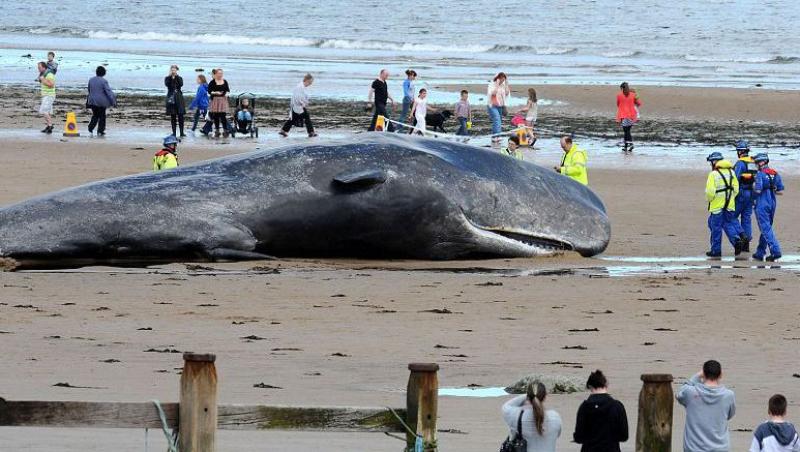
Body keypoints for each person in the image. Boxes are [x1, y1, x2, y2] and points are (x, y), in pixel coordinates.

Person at [676, 360, 736, 452]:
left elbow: (679, 394)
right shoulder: (728, 395)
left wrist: (696, 376)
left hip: (693, 448)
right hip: (720, 448)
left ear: (703, 374)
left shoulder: (690, 392)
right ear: (720, 375)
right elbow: (730, 415)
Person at [573, 370, 628, 452]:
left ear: (589, 387)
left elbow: (579, 437)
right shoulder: (617, 406)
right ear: (606, 385)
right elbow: (624, 436)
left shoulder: (584, 407)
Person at [502, 382, 562, 452]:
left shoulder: (517, 416)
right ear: (545, 397)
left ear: (528, 397)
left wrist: (527, 396)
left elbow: (506, 406)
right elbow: (557, 434)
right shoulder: (555, 417)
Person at [704, 152, 743, 259]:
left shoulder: (713, 174)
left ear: (714, 162)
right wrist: (730, 198)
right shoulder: (732, 172)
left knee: (715, 227)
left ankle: (716, 251)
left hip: (717, 205)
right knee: (728, 223)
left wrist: (710, 199)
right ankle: (736, 240)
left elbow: (710, 192)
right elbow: (736, 189)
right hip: (730, 204)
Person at [752, 153, 784, 261]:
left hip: (762, 202)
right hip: (772, 202)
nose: (756, 164)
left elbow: (758, 190)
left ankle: (775, 251)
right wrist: (772, 189)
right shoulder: (774, 173)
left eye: (757, 162)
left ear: (762, 162)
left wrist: (751, 187)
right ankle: (760, 252)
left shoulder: (759, 174)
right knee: (766, 227)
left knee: (765, 228)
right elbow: (780, 190)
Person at [733, 140, 758, 252]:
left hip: (742, 193)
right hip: (752, 193)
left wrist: (732, 195)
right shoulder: (754, 162)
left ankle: (742, 236)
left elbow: (735, 179)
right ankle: (746, 245)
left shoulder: (740, 163)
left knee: (731, 216)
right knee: (746, 218)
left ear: (740, 152)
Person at [280, 73, 316, 137]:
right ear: (307, 80)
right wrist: (302, 103)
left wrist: (304, 102)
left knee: (293, 119)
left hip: (298, 105)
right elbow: (297, 97)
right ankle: (311, 132)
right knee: (307, 117)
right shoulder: (300, 87)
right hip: (298, 105)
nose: (311, 83)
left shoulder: (302, 86)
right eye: (310, 82)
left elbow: (302, 96)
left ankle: (283, 130)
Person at [86, 66, 117, 136]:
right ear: (104, 73)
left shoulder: (91, 80)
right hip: (101, 102)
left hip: (92, 100)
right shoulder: (104, 81)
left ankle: (90, 127)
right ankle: (100, 130)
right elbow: (108, 92)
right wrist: (113, 101)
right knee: (102, 116)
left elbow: (89, 90)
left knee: (95, 115)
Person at [616, 82, 641, 153]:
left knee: (626, 131)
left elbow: (618, 104)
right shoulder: (633, 95)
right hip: (633, 115)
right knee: (627, 131)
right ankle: (626, 146)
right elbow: (639, 104)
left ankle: (630, 144)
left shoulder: (619, 96)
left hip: (625, 115)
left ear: (622, 88)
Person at [207, 68, 231, 137]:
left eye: (221, 73)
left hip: (223, 100)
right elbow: (209, 91)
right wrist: (215, 92)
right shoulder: (212, 82)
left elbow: (228, 90)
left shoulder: (225, 81)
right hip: (215, 100)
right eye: (219, 73)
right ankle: (217, 130)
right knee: (216, 116)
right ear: (216, 74)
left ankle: (225, 130)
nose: (220, 75)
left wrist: (225, 94)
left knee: (223, 116)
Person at [487, 72, 510, 142]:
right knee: (497, 119)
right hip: (492, 106)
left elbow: (507, 93)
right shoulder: (492, 84)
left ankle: (496, 137)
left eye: (504, 79)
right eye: (501, 79)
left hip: (500, 106)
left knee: (498, 121)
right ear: (498, 78)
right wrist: (497, 85)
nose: (502, 81)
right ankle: (496, 136)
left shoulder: (503, 86)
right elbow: (493, 93)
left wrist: (506, 84)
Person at [165, 65, 186, 139]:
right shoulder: (167, 78)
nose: (173, 71)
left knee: (181, 115)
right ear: (170, 70)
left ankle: (182, 132)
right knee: (173, 116)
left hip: (179, 97)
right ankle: (174, 133)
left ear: (176, 71)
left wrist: (176, 76)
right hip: (171, 98)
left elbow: (181, 84)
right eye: (172, 70)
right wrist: (171, 77)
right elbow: (167, 85)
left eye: (174, 70)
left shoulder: (179, 78)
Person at [36, 61, 56, 134]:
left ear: (44, 67)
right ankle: (48, 126)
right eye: (38, 68)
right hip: (46, 95)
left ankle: (50, 126)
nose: (38, 69)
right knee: (47, 112)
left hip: (49, 95)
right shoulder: (44, 74)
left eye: (39, 68)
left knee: (44, 111)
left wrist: (42, 80)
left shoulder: (49, 74)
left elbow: (51, 85)